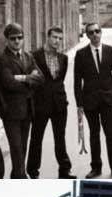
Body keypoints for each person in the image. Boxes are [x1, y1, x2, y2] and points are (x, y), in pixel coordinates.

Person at [74, 23, 112, 179]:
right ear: (87, 35)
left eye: (97, 31)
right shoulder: (81, 54)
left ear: (101, 32)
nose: (95, 34)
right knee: (94, 135)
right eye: (91, 32)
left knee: (111, 134)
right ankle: (96, 168)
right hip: (89, 101)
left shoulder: (111, 51)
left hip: (108, 101)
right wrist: (79, 105)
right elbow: (77, 82)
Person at [0, 23, 44, 179]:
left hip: (28, 109)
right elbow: (8, 83)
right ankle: (21, 179)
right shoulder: (2, 59)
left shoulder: (28, 56)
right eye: (13, 38)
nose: (17, 41)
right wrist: (29, 78)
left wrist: (21, 78)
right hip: (11, 111)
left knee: (23, 146)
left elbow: (41, 79)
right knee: (16, 147)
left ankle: (17, 176)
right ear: (7, 40)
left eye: (19, 38)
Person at [27, 27, 76, 179]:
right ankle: (33, 172)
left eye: (60, 38)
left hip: (60, 105)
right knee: (36, 138)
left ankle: (64, 170)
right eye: (54, 37)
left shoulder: (63, 58)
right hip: (41, 104)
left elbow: (58, 81)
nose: (57, 41)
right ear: (47, 37)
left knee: (60, 138)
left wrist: (61, 99)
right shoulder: (34, 56)